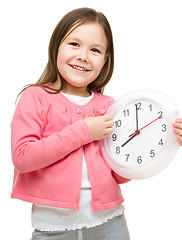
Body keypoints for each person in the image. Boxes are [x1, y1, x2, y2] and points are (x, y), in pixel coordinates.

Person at [11, 7, 182, 240]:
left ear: (105, 59)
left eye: (95, 50)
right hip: (54, 228)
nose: (83, 55)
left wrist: (168, 141)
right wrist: (84, 131)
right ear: (55, 46)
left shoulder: (110, 106)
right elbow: (23, 157)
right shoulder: (36, 97)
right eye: (74, 44)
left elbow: (120, 173)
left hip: (110, 223)